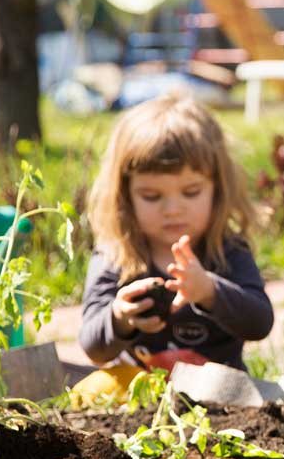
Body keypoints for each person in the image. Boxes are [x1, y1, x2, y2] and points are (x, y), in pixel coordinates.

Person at [77, 94, 273, 376]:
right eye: (152, 196)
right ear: (125, 196)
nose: (172, 209)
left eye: (191, 192)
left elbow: (260, 323)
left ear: (217, 189)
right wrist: (119, 317)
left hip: (222, 396)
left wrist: (210, 292)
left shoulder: (227, 250)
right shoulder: (116, 255)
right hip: (138, 401)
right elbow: (93, 347)